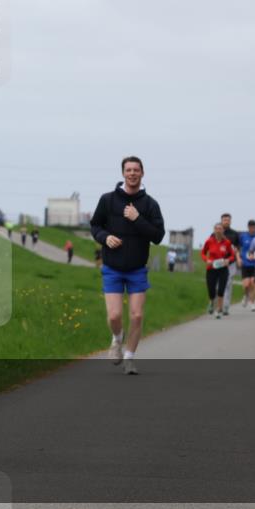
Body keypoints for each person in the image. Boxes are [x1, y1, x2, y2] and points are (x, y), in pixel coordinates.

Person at [90, 156, 166, 375]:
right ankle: (117, 338)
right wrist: (105, 237)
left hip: (137, 269)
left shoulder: (150, 204)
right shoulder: (108, 200)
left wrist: (137, 218)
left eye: (136, 170)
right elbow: (95, 225)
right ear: (123, 173)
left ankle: (129, 358)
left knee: (137, 316)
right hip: (112, 267)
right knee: (114, 316)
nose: (132, 173)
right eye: (128, 170)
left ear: (142, 173)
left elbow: (158, 236)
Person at [201, 223, 237, 319]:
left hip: (223, 269)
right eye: (216, 229)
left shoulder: (227, 242)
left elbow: (232, 255)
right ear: (214, 230)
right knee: (211, 290)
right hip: (211, 268)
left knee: (221, 290)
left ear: (223, 231)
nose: (218, 231)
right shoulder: (209, 241)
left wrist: (228, 260)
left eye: (220, 229)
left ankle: (219, 310)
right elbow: (203, 253)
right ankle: (212, 302)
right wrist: (206, 260)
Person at [220, 213, 240, 316]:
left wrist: (238, 258)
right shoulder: (215, 233)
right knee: (218, 285)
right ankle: (219, 304)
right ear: (221, 221)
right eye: (224, 220)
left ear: (230, 221)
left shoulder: (235, 234)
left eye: (228, 220)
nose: (226, 222)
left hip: (231, 262)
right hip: (218, 262)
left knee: (227, 283)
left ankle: (225, 307)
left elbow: (238, 248)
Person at [238, 220, 255, 310]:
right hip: (245, 263)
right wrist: (239, 258)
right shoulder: (243, 236)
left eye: (253, 227)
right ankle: (245, 295)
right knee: (246, 285)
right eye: (250, 227)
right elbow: (238, 248)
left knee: (253, 283)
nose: (252, 229)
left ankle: (252, 304)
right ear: (248, 227)